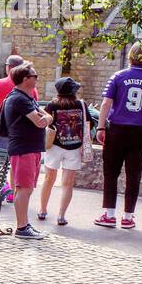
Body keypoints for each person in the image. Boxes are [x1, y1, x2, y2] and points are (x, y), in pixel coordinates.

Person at [93, 44, 142, 231]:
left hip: (117, 129)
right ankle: (128, 217)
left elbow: (105, 103)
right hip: (139, 131)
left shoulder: (118, 76)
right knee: (134, 174)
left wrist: (101, 127)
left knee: (111, 172)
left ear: (130, 57)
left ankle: (109, 214)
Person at [0, 62, 52, 239]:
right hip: (23, 149)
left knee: (26, 188)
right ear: (25, 79)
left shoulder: (26, 97)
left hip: (30, 148)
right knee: (23, 188)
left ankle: (24, 225)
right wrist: (45, 118)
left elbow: (47, 117)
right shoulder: (19, 99)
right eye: (34, 75)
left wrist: (46, 118)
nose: (37, 78)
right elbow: (41, 121)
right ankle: (21, 228)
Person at [38, 76, 96, 226]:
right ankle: (61, 215)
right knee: (67, 184)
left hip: (55, 146)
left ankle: (43, 210)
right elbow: (88, 123)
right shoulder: (81, 104)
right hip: (74, 147)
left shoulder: (52, 105)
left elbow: (44, 121)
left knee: (48, 180)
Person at [0, 54, 36, 149]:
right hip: (23, 125)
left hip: (3, 124)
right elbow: (34, 104)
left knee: (0, 158)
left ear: (9, 67)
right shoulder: (29, 84)